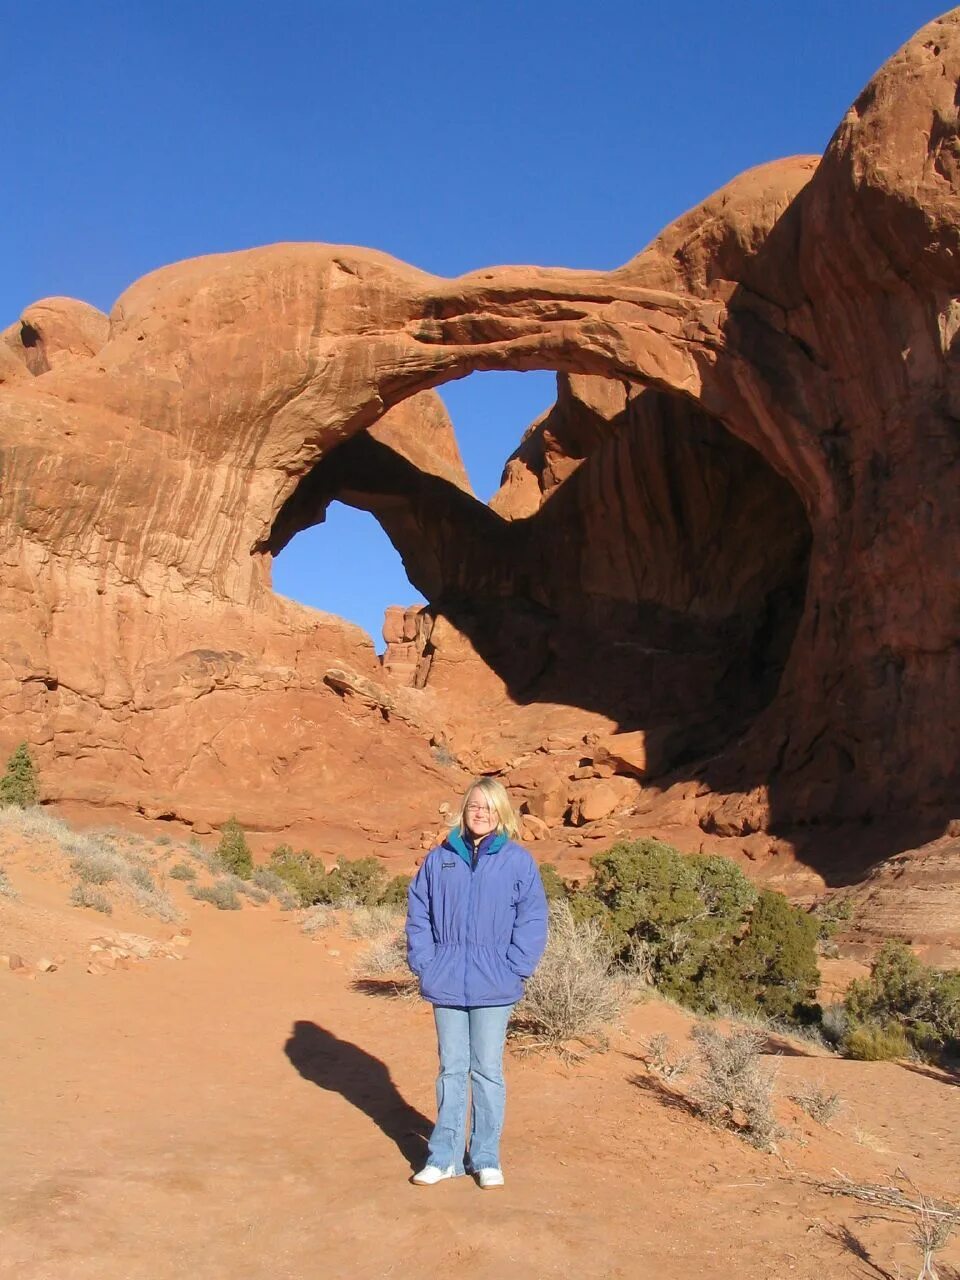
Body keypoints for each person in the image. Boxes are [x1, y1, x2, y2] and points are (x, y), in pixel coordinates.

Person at [405, 777, 548, 1189]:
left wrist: (515, 967)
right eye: (474, 806)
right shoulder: (440, 859)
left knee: (487, 1070)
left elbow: (533, 918)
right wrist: (426, 963)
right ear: (463, 811)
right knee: (451, 1069)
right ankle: (444, 1157)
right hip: (446, 978)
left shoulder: (518, 862)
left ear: (501, 812)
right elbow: (419, 912)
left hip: (495, 983)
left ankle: (485, 1157)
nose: (480, 812)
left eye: (488, 806)